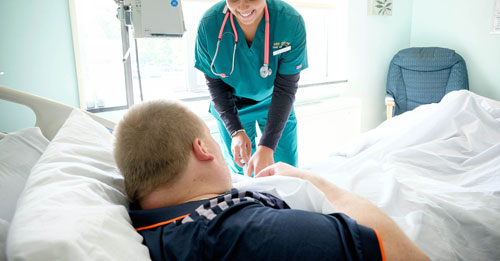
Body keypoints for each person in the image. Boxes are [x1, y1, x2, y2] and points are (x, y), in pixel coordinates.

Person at [113, 99, 429, 261]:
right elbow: (398, 252)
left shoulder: (148, 225)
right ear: (203, 148)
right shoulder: (244, 233)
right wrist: (314, 181)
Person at [194, 0, 308, 176]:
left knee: (284, 172)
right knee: (244, 175)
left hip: (275, 103)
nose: (243, 7)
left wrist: (267, 146)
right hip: (232, 107)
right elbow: (215, 84)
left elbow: (286, 88)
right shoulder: (209, 25)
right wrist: (235, 131)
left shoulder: (290, 22)